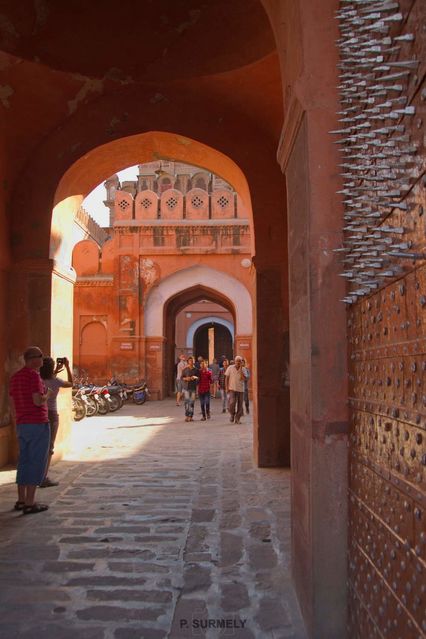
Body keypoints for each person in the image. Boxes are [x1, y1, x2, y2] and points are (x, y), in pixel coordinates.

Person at [8, 346, 51, 514]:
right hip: (37, 423)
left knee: (24, 461)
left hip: (22, 424)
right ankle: (30, 502)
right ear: (34, 359)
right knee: (36, 462)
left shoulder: (15, 377)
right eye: (41, 356)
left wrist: (16, 421)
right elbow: (37, 401)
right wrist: (47, 394)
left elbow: (12, 402)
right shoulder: (34, 376)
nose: (43, 359)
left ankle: (20, 499)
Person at [39, 356, 73, 487]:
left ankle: (35, 476)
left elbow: (46, 378)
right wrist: (67, 367)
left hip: (39, 414)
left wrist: (55, 371)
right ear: (52, 368)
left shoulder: (38, 379)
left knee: (38, 445)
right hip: (52, 415)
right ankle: (43, 477)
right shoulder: (56, 381)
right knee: (49, 446)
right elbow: (71, 383)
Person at [225, 355, 246, 424]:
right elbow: (227, 378)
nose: (238, 362)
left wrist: (241, 369)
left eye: (240, 361)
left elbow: (243, 379)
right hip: (232, 389)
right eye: (237, 361)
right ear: (234, 361)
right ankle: (232, 414)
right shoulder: (230, 367)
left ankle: (237, 419)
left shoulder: (243, 369)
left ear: (241, 362)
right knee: (232, 403)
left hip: (241, 390)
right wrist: (226, 387)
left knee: (240, 405)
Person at [182, 356, 199, 422]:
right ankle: (186, 415)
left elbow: (198, 378)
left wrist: (194, 377)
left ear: (193, 362)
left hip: (193, 388)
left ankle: (190, 416)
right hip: (186, 388)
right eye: (190, 361)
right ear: (188, 362)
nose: (191, 362)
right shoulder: (185, 370)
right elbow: (182, 377)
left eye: (192, 361)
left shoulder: (196, 370)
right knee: (186, 402)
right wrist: (186, 378)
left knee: (192, 403)